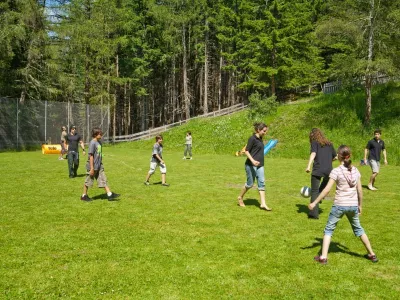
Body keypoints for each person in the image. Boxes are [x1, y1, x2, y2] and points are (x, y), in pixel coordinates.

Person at [309, 145, 378, 264]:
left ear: (338, 157)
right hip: (353, 206)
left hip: (339, 206)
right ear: (349, 156)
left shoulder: (336, 171)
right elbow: (360, 191)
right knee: (359, 229)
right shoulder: (356, 170)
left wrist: (314, 202)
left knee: (328, 230)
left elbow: (326, 190)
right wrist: (360, 205)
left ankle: (323, 257)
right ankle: (372, 254)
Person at [237, 122, 272, 211]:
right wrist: (253, 161)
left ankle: (263, 204)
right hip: (250, 165)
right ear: (258, 130)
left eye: (266, 131)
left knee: (262, 183)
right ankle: (240, 197)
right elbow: (246, 151)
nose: (265, 132)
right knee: (250, 184)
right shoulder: (252, 139)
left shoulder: (260, 139)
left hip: (260, 165)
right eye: (264, 131)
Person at [80, 128, 120, 202]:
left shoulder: (99, 142)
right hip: (93, 166)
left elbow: (98, 153)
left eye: (101, 133)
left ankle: (109, 194)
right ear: (95, 135)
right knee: (88, 181)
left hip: (99, 165)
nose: (101, 134)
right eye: (99, 134)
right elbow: (91, 156)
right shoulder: (92, 143)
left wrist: (103, 155)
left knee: (103, 179)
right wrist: (92, 168)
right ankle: (84, 196)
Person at [305, 128, 337, 219]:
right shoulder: (329, 144)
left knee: (314, 191)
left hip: (318, 169)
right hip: (329, 170)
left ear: (312, 136)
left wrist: (308, 166)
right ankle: (319, 198)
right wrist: (327, 160)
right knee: (322, 188)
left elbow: (313, 153)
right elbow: (335, 157)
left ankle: (313, 214)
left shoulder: (314, 143)